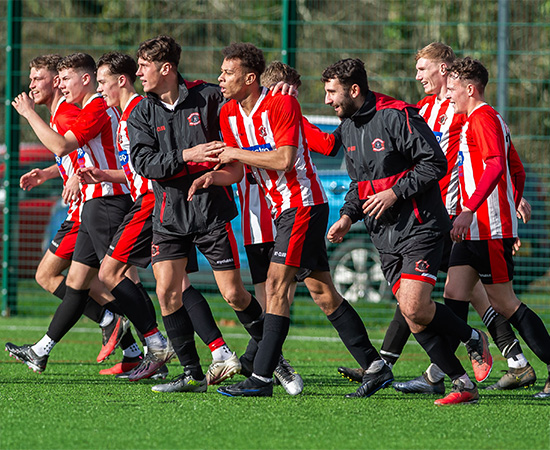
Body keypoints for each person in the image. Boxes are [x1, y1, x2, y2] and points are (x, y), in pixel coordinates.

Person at [191, 42, 390, 399]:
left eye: (228, 73)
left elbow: (284, 160)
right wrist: (213, 177)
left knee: (277, 288)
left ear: (250, 78)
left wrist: (232, 152)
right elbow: (237, 171)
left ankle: (262, 378)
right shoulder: (228, 114)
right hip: (278, 210)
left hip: (301, 205)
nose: (221, 79)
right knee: (323, 293)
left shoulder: (282, 103)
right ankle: (375, 366)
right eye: (220, 73)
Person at [339, 42, 536, 394]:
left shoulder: (467, 108)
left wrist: (509, 203)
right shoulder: (422, 108)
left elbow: (497, 159)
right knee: (455, 292)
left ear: (444, 70)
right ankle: (507, 361)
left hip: (449, 216)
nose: (417, 76)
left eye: (423, 69)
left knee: (437, 294)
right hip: (436, 214)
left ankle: (394, 366)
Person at [323, 58, 492, 405]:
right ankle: (464, 383)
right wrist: (346, 216)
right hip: (384, 236)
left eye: (331, 92)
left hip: (421, 226)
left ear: (354, 90)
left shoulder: (396, 116)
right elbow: (360, 184)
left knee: (414, 306)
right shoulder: (349, 127)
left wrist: (395, 192)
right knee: (414, 317)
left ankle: (473, 337)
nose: (327, 101)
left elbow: (435, 163)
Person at [6, 53, 168, 376]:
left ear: (86, 79)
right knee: (81, 283)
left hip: (105, 203)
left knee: (115, 277)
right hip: (95, 202)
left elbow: (66, 147)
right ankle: (45, 350)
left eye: (62, 79)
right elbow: (80, 155)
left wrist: (27, 114)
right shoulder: (85, 109)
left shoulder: (84, 109)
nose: (57, 85)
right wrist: (57, 174)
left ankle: (153, 342)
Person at [88, 51, 242, 384]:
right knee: (171, 286)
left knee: (110, 272)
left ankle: (156, 344)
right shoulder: (133, 114)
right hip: (163, 203)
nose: (100, 90)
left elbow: (152, 168)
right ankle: (214, 354)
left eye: (102, 82)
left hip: (155, 203)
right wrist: (105, 174)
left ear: (122, 80)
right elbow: (139, 167)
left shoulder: (140, 110)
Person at [127, 35, 270, 393]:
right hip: (168, 216)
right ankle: (192, 374)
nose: (138, 73)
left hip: (210, 213)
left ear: (166, 68)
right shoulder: (142, 111)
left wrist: (279, 87)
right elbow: (144, 163)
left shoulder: (208, 97)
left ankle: (273, 357)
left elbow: (248, 97)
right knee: (167, 292)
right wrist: (188, 156)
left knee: (234, 294)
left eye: (144, 66)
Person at [444, 56, 550, 400]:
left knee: (505, 303)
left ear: (470, 89)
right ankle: (452, 369)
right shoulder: (480, 120)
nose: (450, 95)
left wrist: (472, 210)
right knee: (453, 296)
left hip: (488, 229)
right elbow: (515, 170)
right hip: (476, 230)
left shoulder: (483, 118)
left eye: (454, 88)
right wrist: (513, 200)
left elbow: (495, 166)